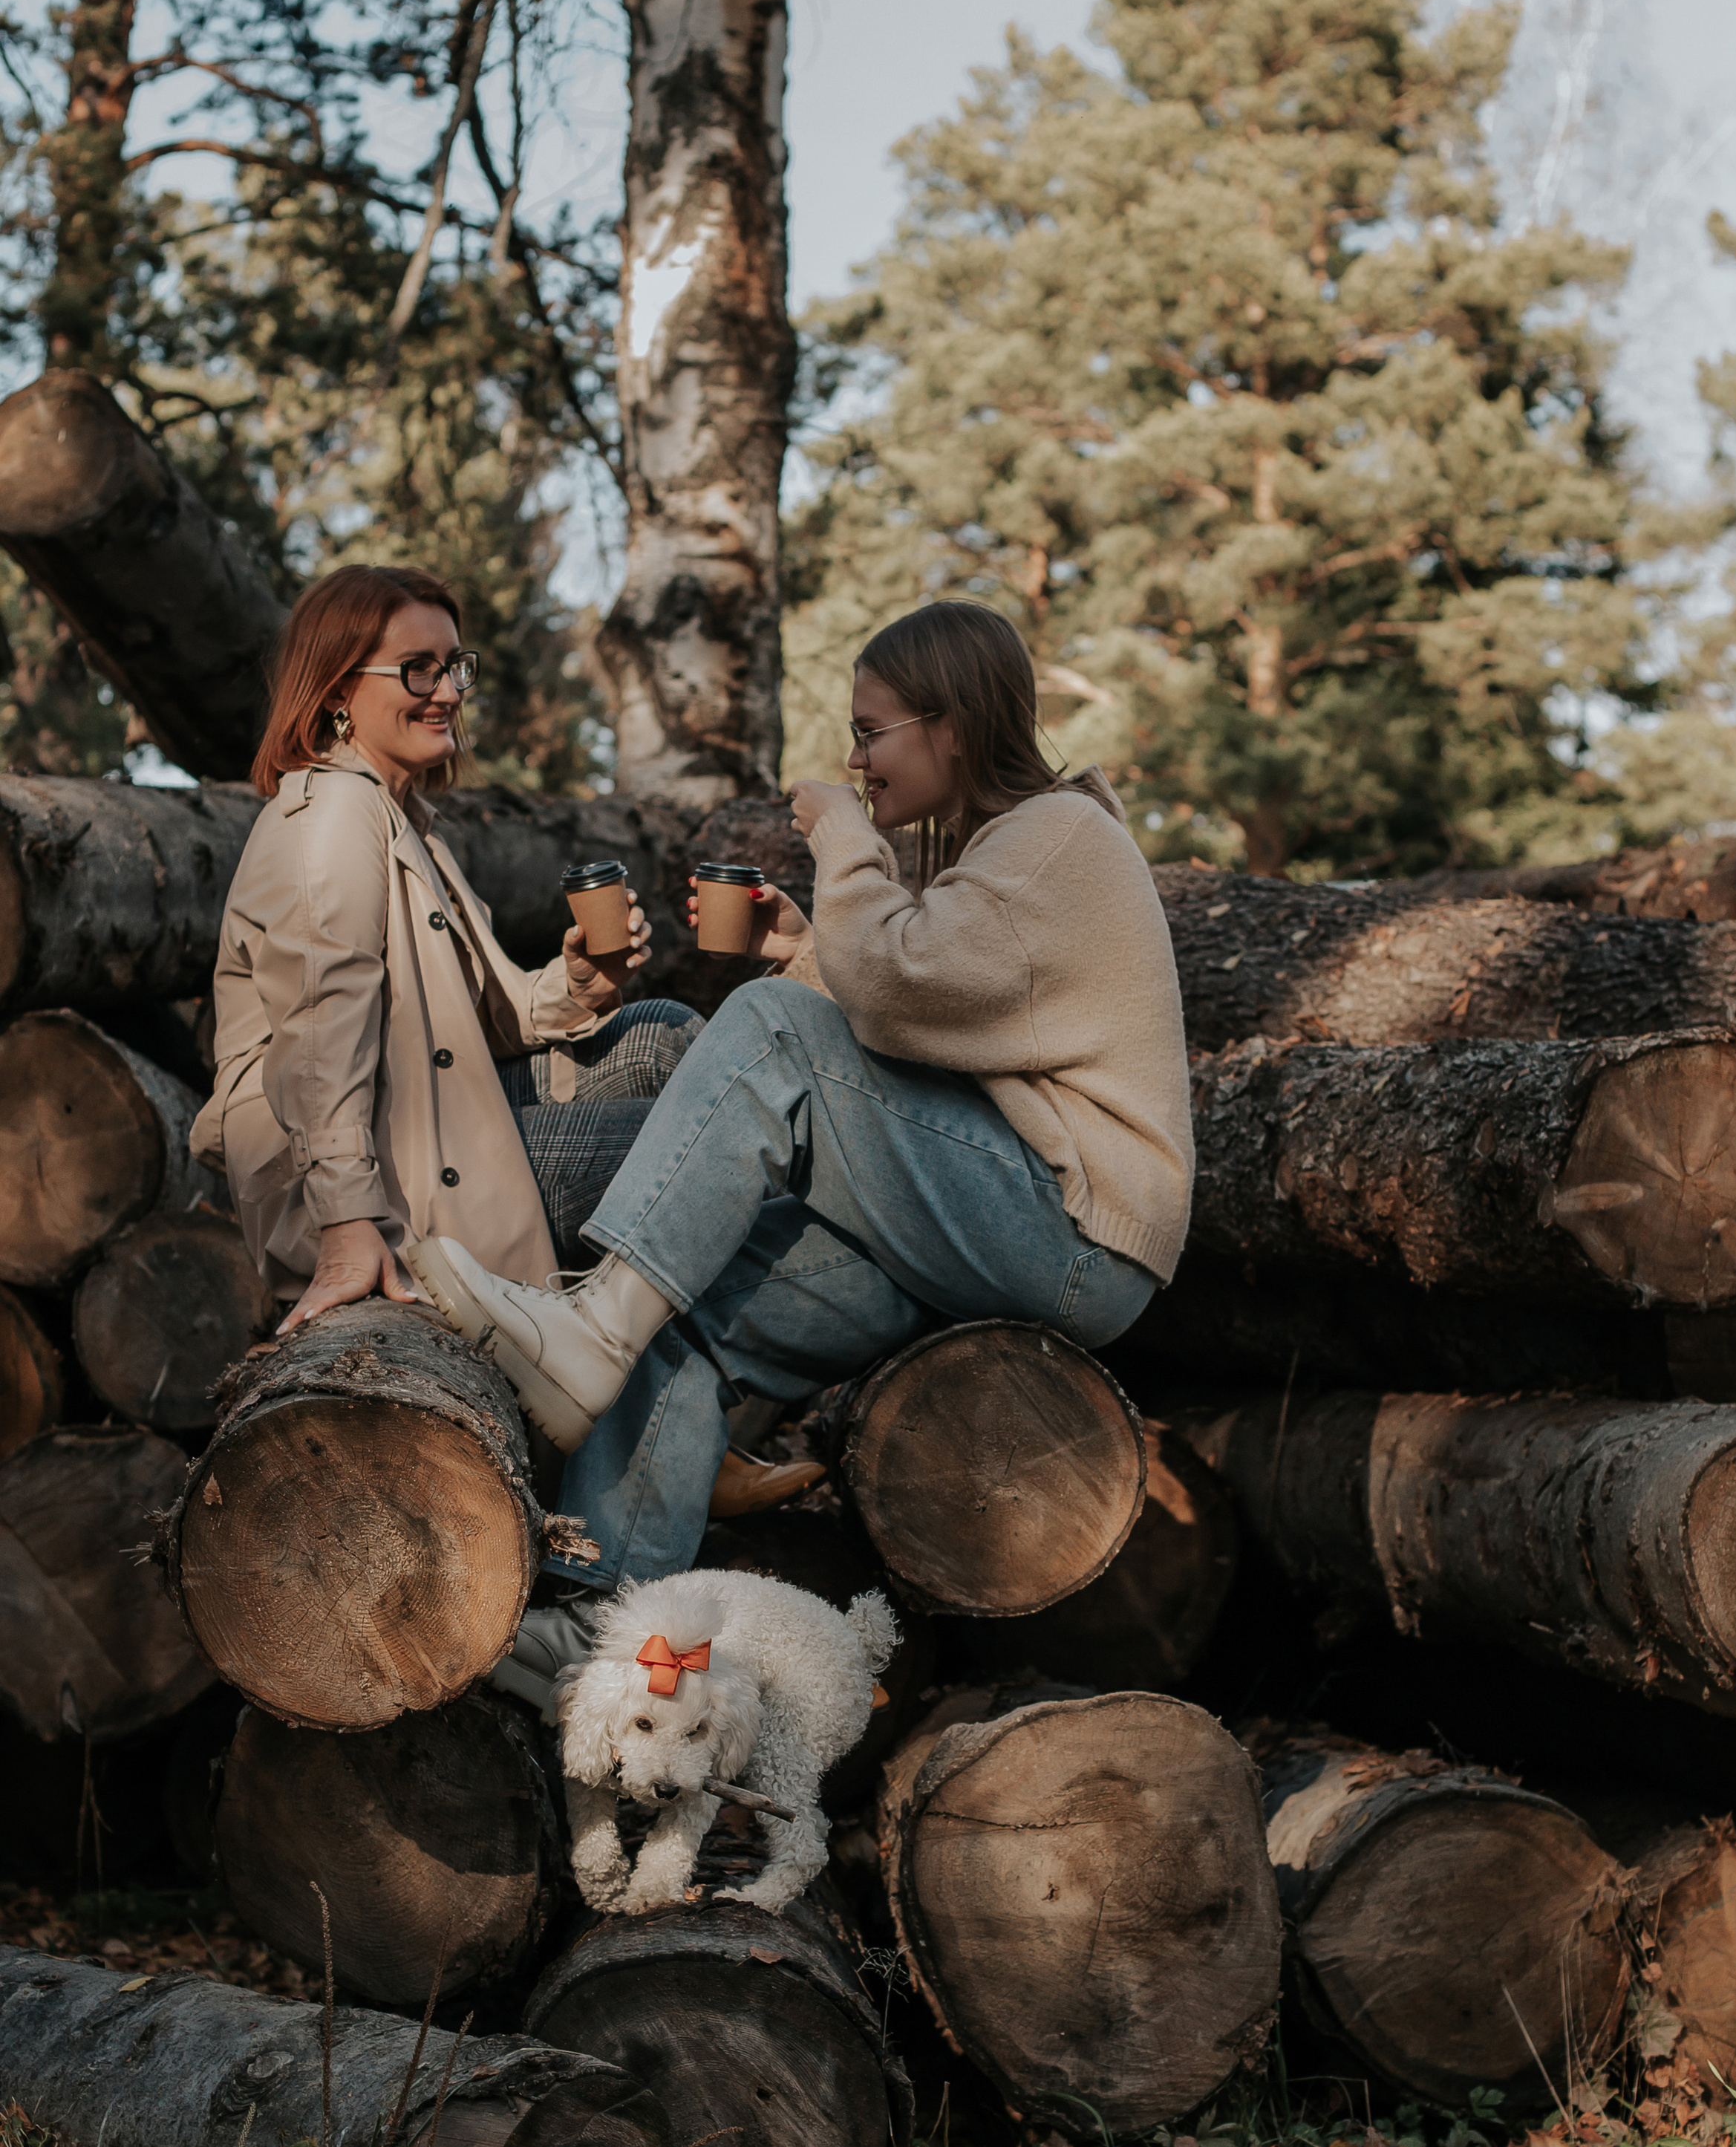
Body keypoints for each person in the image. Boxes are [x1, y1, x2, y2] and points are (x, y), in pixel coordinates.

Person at [412, 599, 1195, 1670]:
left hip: (1067, 1231)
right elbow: (934, 1008)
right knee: (687, 1303)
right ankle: (604, 1632)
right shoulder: (1012, 849)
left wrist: (844, 841)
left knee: (773, 1032)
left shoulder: (1055, 838)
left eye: (874, 731)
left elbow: (893, 991)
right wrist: (808, 948)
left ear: (952, 725)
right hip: (996, 1221)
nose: (856, 756)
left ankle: (590, 1331)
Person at [190, 565, 806, 1556]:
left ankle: (670, 1414)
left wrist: (580, 979)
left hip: (434, 1121)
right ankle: (672, 1428)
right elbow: (319, 1026)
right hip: (373, 1167)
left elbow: (493, 1018)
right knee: (708, 1133)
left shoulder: (405, 823)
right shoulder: (331, 819)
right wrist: (351, 1226)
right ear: (339, 689)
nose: (447, 690)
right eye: (417, 668)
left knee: (660, 1033)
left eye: (455, 665)